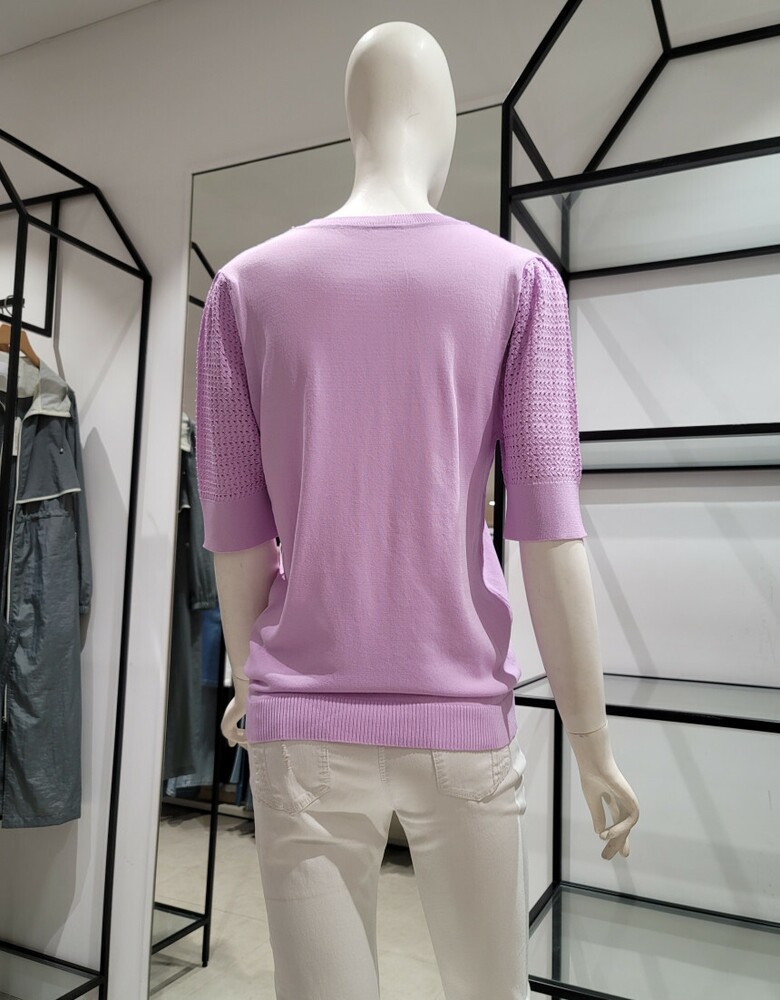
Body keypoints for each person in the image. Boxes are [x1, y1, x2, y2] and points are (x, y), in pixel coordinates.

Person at [195, 20, 639, 1000]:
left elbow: (235, 530)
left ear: (354, 117)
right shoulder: (518, 281)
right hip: (462, 715)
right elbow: (547, 529)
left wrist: (251, 677)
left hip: (299, 719)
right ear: (439, 120)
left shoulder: (242, 288)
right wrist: (592, 741)